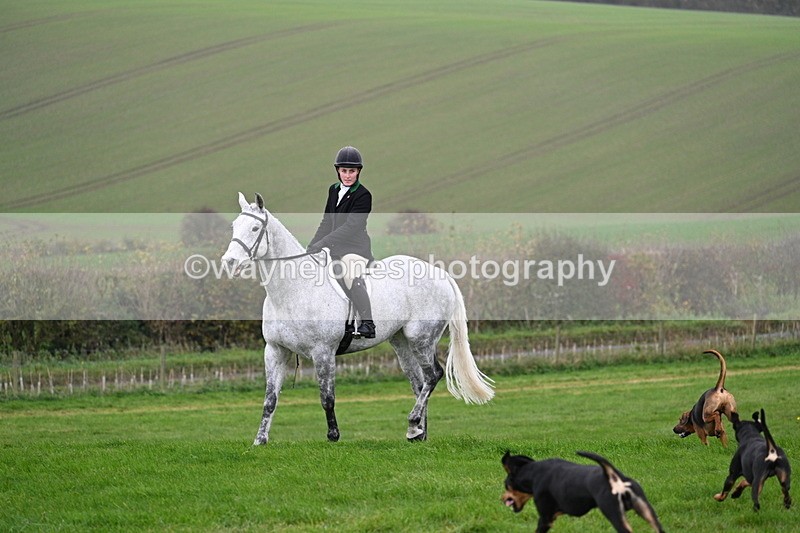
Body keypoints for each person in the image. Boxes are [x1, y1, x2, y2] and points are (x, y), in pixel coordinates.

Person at [307, 146, 376, 339]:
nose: (347, 175)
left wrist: (324, 242)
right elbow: (327, 221)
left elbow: (351, 227)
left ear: (358, 172)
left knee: (350, 275)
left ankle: (368, 324)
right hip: (335, 247)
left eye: (351, 171)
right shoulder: (333, 190)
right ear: (338, 171)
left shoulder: (363, 195)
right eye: (344, 171)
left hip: (355, 249)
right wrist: (312, 245)